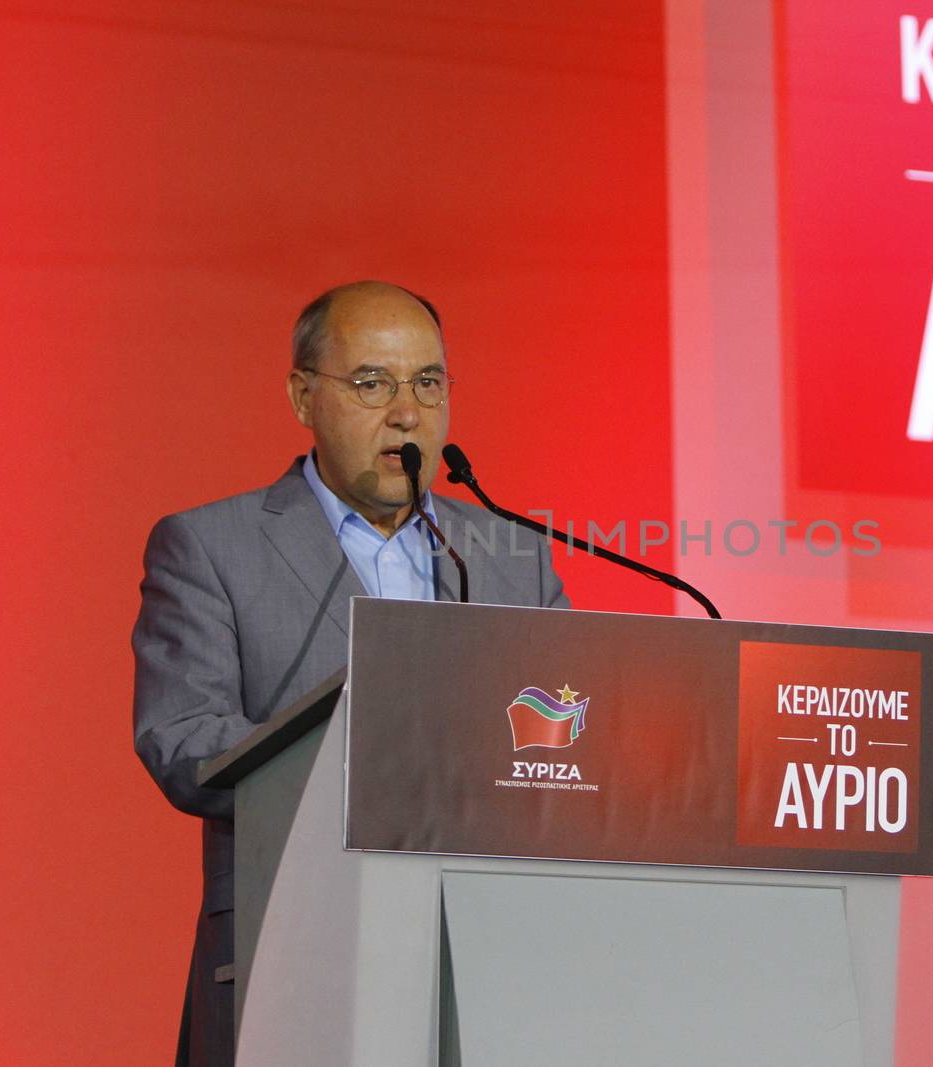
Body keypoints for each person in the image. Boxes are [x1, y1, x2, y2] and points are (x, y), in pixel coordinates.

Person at [132, 281, 569, 1066]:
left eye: (428, 383)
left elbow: (575, 740)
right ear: (304, 396)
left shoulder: (513, 557)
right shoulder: (209, 547)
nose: (407, 412)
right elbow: (184, 741)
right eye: (372, 383)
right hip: (296, 950)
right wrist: (372, 768)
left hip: (491, 962)